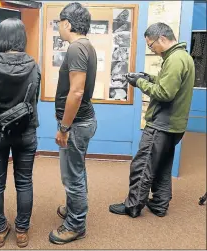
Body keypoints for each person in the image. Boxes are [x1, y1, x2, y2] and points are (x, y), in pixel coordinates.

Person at [109, 22, 195, 218]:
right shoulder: (182, 57)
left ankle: (133, 206)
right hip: (174, 125)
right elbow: (169, 83)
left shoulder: (174, 60)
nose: (151, 49)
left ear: (162, 39)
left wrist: (139, 82)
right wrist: (147, 76)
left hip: (161, 125)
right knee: (163, 164)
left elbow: (165, 93)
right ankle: (159, 203)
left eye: (151, 45)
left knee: (143, 165)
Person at [0, 18, 40, 248]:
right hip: (26, 132)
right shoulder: (33, 64)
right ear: (22, 37)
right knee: (24, 182)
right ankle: (22, 231)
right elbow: (33, 102)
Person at [49, 2, 97, 245]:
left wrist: (64, 127)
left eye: (59, 22)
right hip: (82, 121)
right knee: (77, 171)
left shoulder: (76, 48)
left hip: (76, 125)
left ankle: (76, 225)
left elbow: (76, 93)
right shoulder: (85, 45)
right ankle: (74, 209)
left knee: (72, 176)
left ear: (67, 23)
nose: (59, 27)